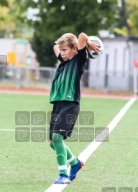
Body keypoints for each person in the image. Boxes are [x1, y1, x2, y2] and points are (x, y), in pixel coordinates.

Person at [49, 32, 100, 184]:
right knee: (53, 143)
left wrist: (89, 44)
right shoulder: (64, 61)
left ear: (74, 49)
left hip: (70, 105)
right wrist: (62, 47)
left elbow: (82, 35)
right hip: (58, 105)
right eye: (62, 50)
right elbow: (55, 46)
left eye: (65, 50)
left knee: (57, 137)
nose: (62, 53)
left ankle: (63, 175)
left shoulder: (78, 60)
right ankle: (75, 163)